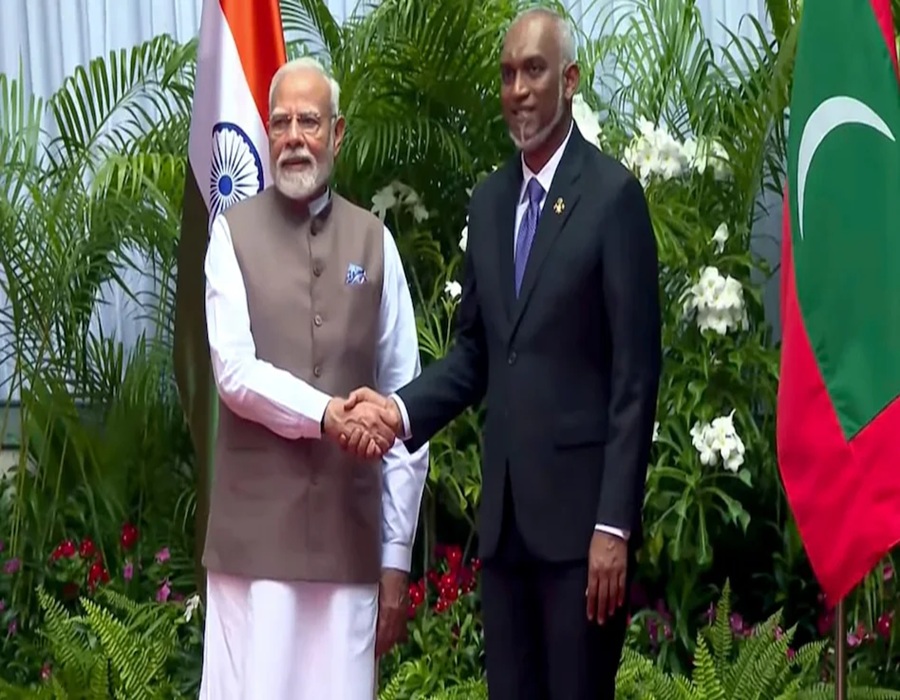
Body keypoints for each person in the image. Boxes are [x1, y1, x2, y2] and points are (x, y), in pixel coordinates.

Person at [340, 8, 661, 699]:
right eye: (508, 73)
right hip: (507, 534)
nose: (517, 88)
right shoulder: (489, 202)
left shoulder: (613, 200)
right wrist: (398, 410)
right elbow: (478, 352)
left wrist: (614, 525)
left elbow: (636, 378)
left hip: (582, 538)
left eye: (534, 70)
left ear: (570, 80)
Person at [198, 56, 429, 700]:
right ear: (267, 134)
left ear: (338, 132)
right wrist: (329, 413)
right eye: (280, 122)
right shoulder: (231, 233)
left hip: (348, 553)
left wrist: (394, 558)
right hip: (254, 557)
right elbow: (235, 373)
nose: (294, 135)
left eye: (309, 120)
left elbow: (406, 406)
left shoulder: (374, 243)